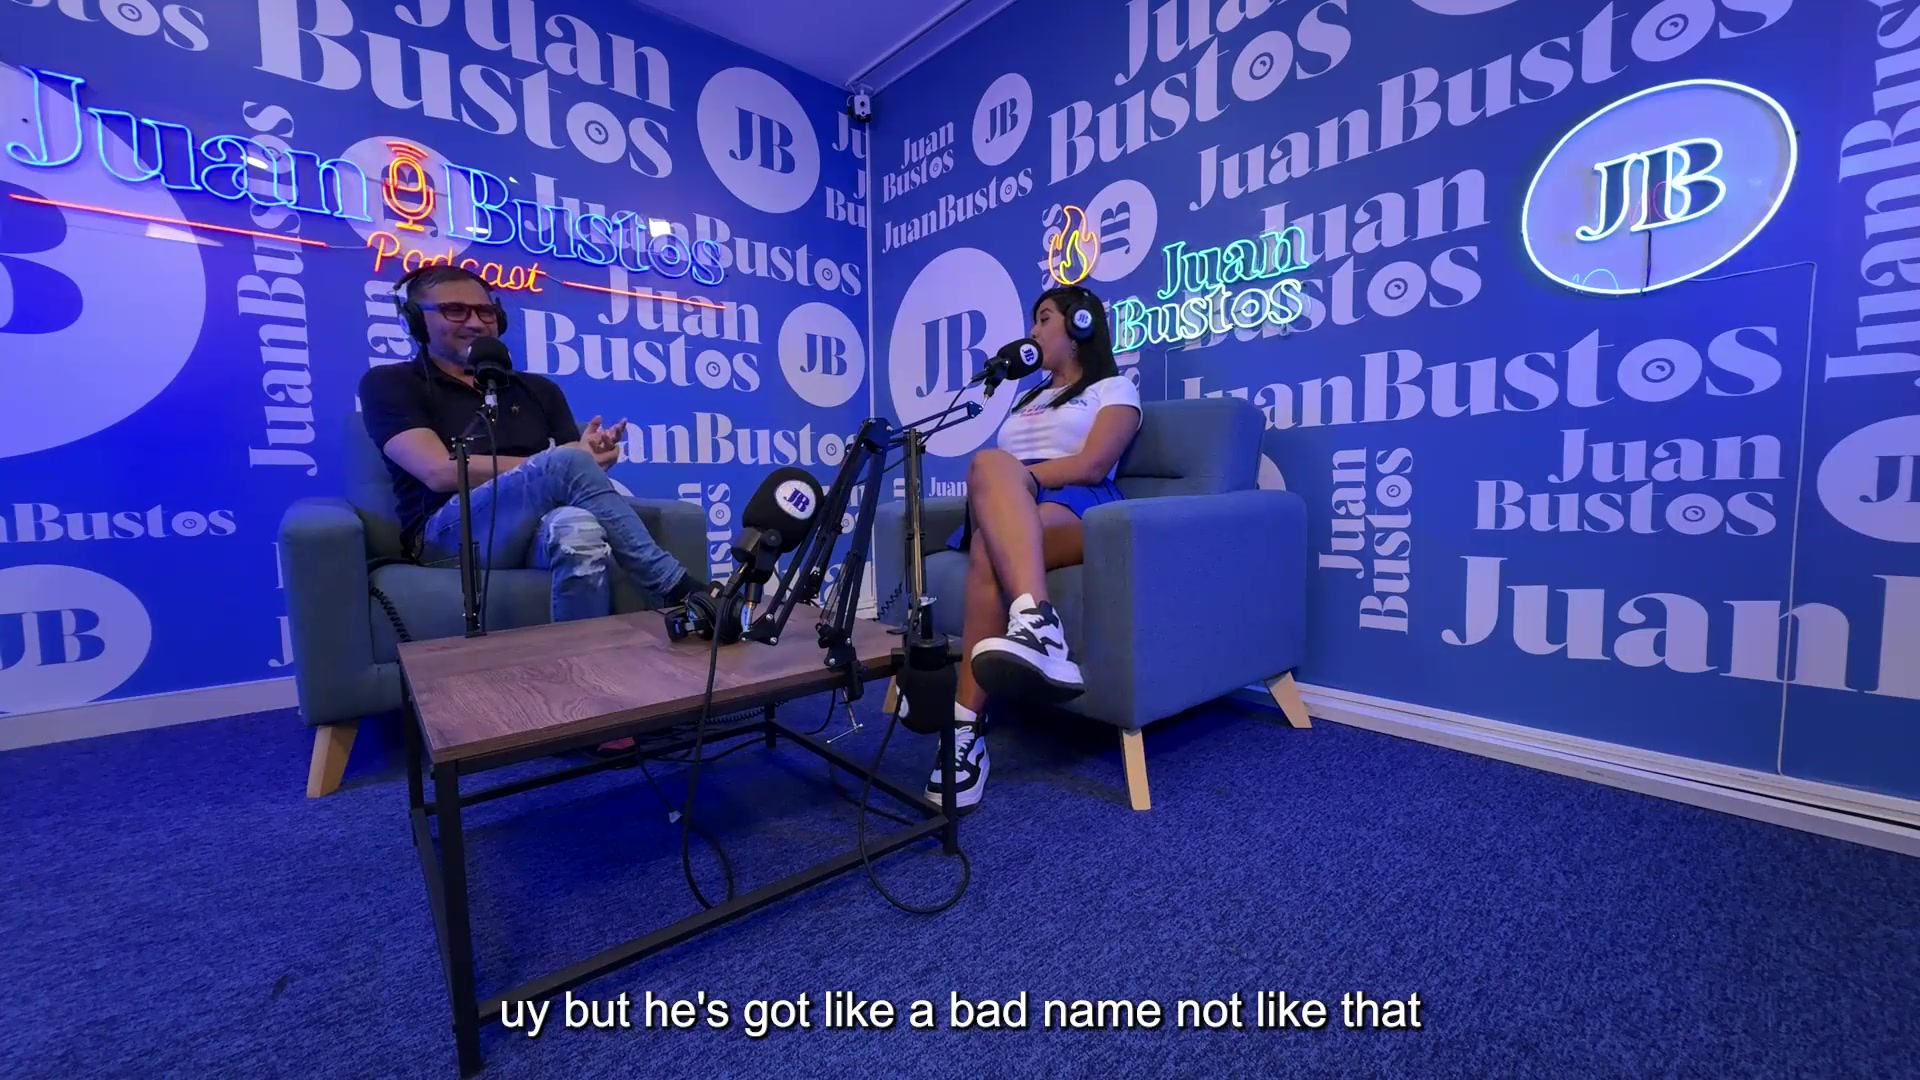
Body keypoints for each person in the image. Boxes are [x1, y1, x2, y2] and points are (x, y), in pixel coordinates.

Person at [358, 263, 701, 627]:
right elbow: (438, 471)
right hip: (447, 537)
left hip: (538, 529)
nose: (476, 322)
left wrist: (591, 459)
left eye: (485, 311)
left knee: (578, 529)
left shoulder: (539, 390)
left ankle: (582, 658)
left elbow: (573, 472)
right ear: (415, 321)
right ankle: (674, 585)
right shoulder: (389, 383)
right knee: (563, 464)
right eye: (454, 310)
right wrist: (561, 462)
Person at [924, 284, 1142, 810]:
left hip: (1081, 505)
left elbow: (1092, 464)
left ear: (1081, 325)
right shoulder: (1029, 397)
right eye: (1034, 320)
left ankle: (967, 730)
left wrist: (1020, 480)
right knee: (987, 523)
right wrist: (1010, 488)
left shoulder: (1114, 389)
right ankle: (973, 722)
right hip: (1017, 505)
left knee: (993, 484)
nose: (1033, 331)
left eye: (1045, 318)